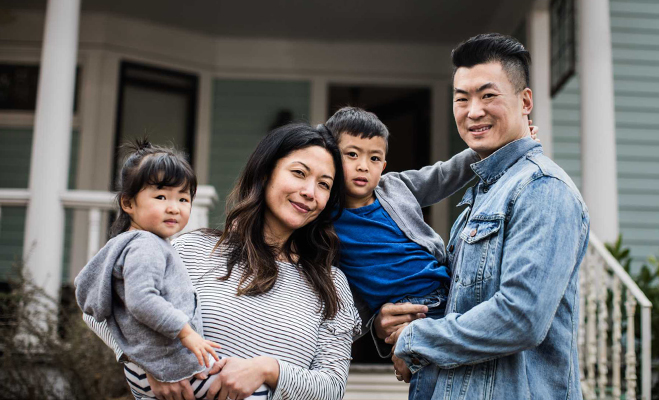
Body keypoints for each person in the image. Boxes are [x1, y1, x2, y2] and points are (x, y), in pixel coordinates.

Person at [83, 123, 361, 400]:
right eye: (299, 173)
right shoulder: (192, 250)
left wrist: (268, 370)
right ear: (265, 173)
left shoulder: (332, 285)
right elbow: (103, 305)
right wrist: (147, 362)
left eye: (324, 184)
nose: (310, 192)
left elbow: (332, 387)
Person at [385, 33, 590, 399]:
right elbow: (461, 307)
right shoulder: (484, 190)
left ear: (525, 101)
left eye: (488, 95)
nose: (472, 111)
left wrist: (415, 339)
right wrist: (400, 321)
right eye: (461, 99)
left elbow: (521, 318)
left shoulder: (542, 189)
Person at [324, 107, 538, 399]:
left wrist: (503, 147)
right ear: (330, 157)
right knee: (430, 383)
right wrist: (383, 331)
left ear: (384, 164)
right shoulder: (324, 220)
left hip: (449, 291)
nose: (364, 166)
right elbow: (338, 294)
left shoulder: (395, 187)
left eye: (373, 158)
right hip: (409, 311)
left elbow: (443, 175)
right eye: (352, 155)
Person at [74, 140, 226, 397]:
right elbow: (142, 299)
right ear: (128, 203)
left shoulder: (133, 244)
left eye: (183, 198)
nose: (174, 207)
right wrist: (187, 333)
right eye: (160, 196)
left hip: (153, 366)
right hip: (167, 367)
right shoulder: (146, 245)